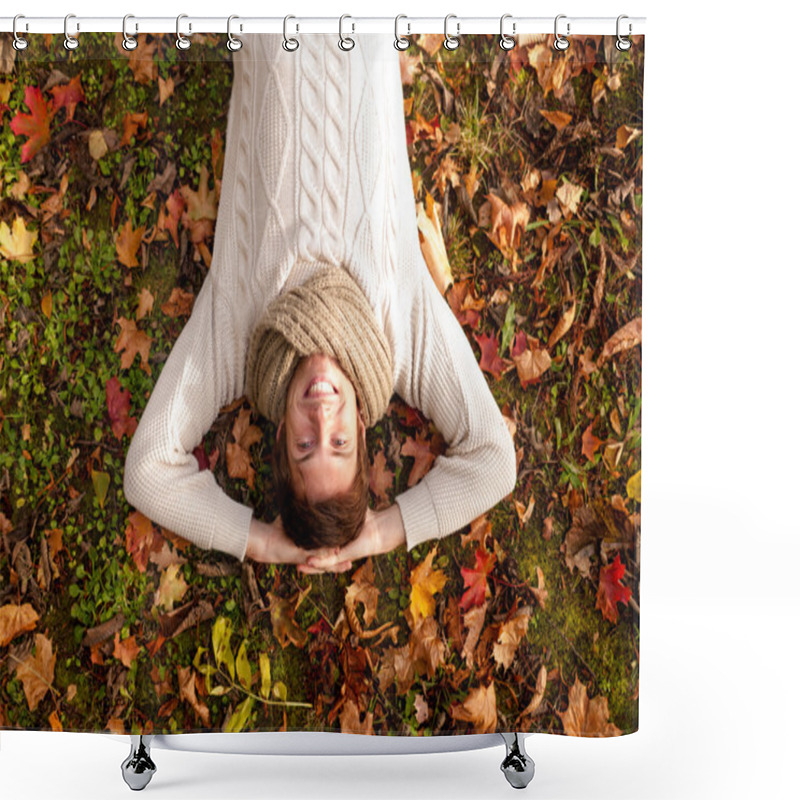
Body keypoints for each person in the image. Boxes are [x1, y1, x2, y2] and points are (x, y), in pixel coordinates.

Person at [123, 33, 517, 576]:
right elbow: (494, 461)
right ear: (361, 428)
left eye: (307, 444)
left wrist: (258, 541)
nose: (322, 411)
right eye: (338, 442)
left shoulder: (239, 340)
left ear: (282, 434)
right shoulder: (400, 335)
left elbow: (147, 470)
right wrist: (380, 532)